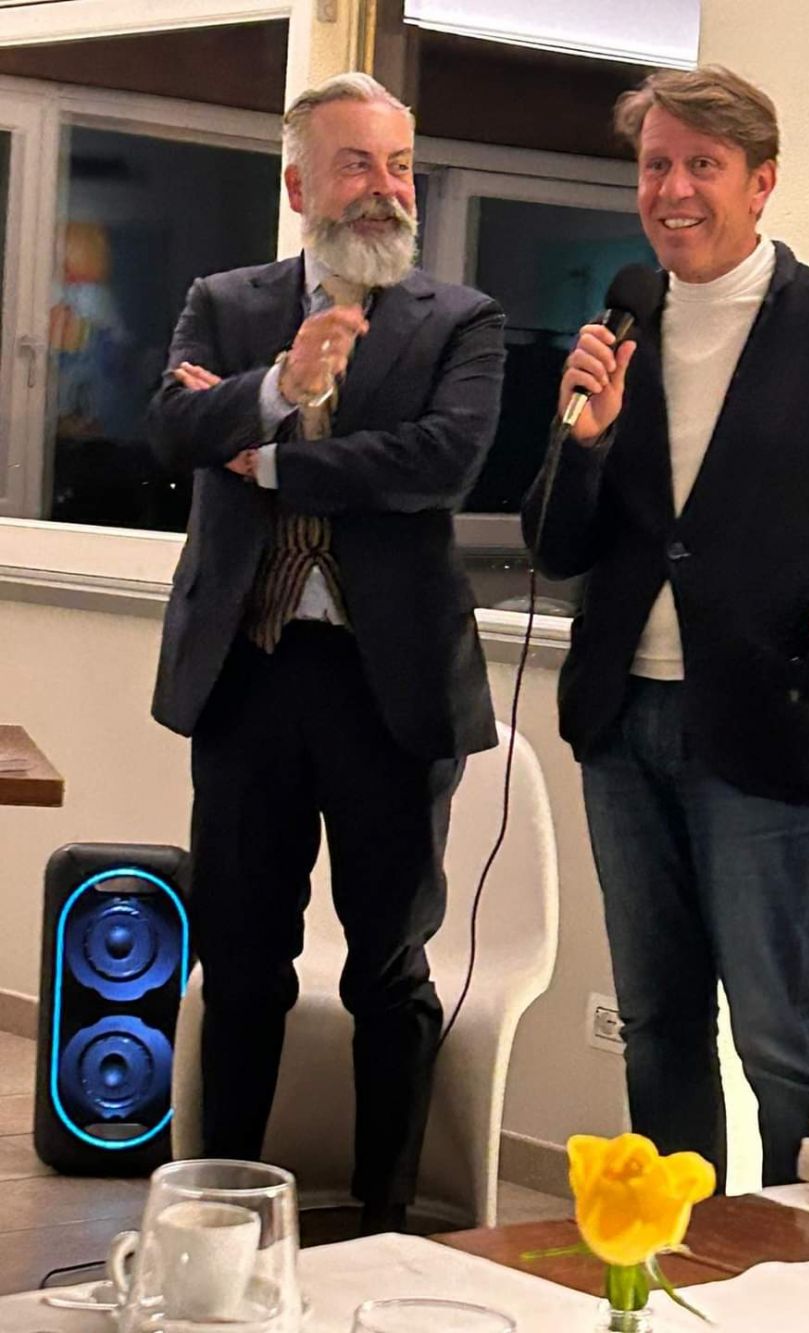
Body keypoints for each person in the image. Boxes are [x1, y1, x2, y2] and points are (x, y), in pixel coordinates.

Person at [522, 65, 809, 1188]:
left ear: (761, 182)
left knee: (778, 1034)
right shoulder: (621, 326)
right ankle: (675, 1251)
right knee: (656, 1021)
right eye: (655, 166)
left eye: (702, 166)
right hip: (621, 723)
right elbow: (555, 545)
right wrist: (586, 441)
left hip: (765, 720)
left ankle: (805, 1258)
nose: (672, 190)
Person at [149, 72, 504, 1233]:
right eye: (356, 165)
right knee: (242, 959)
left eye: (399, 166)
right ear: (300, 185)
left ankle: (386, 1217)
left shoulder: (460, 320)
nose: (384, 189)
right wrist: (278, 387)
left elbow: (441, 462)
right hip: (246, 679)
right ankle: (219, 1212)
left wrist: (266, 454)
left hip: (387, 687)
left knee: (386, 969)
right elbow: (171, 429)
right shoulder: (225, 303)